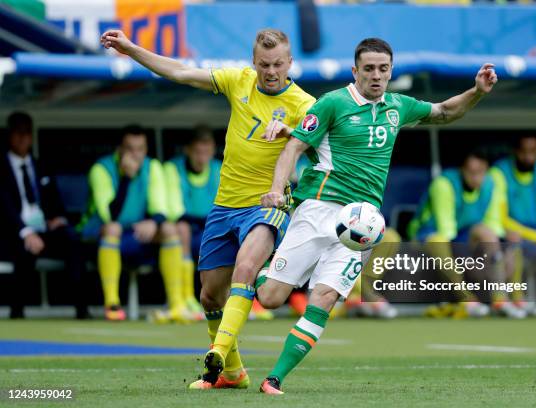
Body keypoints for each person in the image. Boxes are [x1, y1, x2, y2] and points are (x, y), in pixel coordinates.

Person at [254, 38, 497, 394]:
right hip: (318, 209)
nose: (376, 75)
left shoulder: (399, 106)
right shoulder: (332, 103)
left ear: (391, 71)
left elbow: (445, 112)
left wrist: (477, 92)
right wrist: (277, 189)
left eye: (383, 69)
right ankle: (254, 269)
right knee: (271, 298)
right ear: (355, 71)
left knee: (324, 298)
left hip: (362, 223)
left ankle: (274, 378)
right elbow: (295, 145)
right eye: (368, 68)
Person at [101, 28, 315, 388]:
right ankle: (233, 374)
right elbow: (181, 72)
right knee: (209, 294)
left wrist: (292, 135)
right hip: (225, 206)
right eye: (264, 64)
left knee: (245, 269)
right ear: (254, 63)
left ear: (290, 63)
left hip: (268, 204)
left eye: (279, 64)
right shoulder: (239, 82)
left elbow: (327, 145)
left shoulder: (305, 105)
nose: (272, 71)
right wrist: (130, 49)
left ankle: (215, 356)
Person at [79, 125, 186, 322]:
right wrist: (126, 178)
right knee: (113, 227)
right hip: (95, 237)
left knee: (169, 229)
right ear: (120, 149)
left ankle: (176, 304)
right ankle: (112, 303)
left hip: (133, 235)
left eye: (140, 149)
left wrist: (153, 223)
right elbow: (111, 214)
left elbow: (161, 209)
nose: (135, 154)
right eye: (130, 148)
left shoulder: (152, 166)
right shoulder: (101, 169)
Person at [0, 112, 89, 319]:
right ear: (9, 135)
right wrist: (25, 232)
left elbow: (55, 202)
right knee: (24, 249)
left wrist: (58, 218)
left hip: (44, 230)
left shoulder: (41, 166)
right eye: (18, 132)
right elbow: (4, 207)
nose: (22, 138)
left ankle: (82, 309)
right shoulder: (1, 167)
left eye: (26, 132)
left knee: (71, 241)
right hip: (15, 233)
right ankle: (17, 312)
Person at [409, 151, 519, 318]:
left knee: (497, 238)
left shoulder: (490, 184)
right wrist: (469, 263)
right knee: (439, 241)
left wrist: (500, 255)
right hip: (427, 235)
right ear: (462, 170)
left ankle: (500, 299)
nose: (476, 177)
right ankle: (466, 299)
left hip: (463, 235)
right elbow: (446, 231)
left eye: (481, 172)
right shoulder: (444, 184)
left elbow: (493, 225)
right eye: (471, 172)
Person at [489, 135, 536, 315]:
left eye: (533, 152)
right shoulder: (499, 172)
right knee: (514, 239)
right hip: (510, 232)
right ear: (515, 152)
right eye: (524, 152)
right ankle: (516, 298)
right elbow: (501, 217)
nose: (528, 157)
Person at [161, 126, 221, 322]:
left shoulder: (219, 168)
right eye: (197, 152)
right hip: (187, 227)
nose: (202, 157)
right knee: (181, 228)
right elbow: (175, 210)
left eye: (207, 152)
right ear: (187, 150)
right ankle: (185, 297)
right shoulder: (172, 168)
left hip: (211, 228)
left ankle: (232, 300)